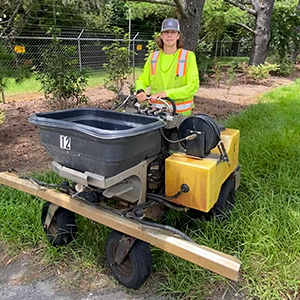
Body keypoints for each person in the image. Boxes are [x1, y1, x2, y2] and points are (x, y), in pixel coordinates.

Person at [135, 18, 199, 116]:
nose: (169, 35)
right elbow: (143, 79)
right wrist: (140, 90)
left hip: (180, 115)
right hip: (156, 114)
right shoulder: (153, 57)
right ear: (161, 36)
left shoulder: (188, 56)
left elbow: (192, 86)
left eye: (173, 32)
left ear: (178, 36)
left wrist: (167, 93)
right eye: (166, 32)